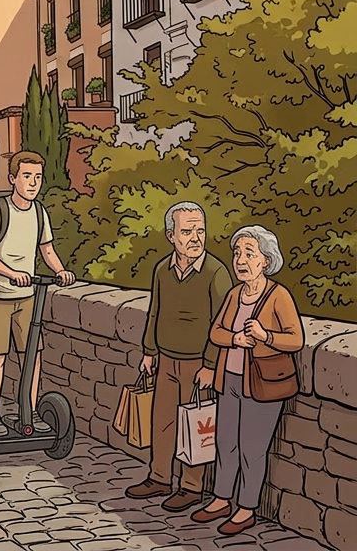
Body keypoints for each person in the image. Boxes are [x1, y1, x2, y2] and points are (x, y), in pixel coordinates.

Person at [192, 225, 302, 537]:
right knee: (225, 443)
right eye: (237, 253)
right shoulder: (234, 294)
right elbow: (216, 333)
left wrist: (265, 336)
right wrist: (237, 338)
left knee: (251, 450)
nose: (240, 259)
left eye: (249, 254)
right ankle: (221, 499)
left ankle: (246, 508)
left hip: (263, 385)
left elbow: (295, 339)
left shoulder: (278, 296)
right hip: (230, 379)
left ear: (265, 260)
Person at [127, 201, 232, 512]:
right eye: (187, 231)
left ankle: (191, 486)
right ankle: (159, 477)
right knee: (162, 421)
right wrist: (149, 351)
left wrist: (211, 366)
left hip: (198, 364)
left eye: (200, 230)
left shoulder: (215, 272)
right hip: (165, 361)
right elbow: (154, 312)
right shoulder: (162, 270)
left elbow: (222, 322)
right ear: (171, 235)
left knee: (194, 426)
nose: (196, 237)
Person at [0, 151, 76, 437]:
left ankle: (29, 411)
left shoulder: (39, 212)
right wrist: (11, 273)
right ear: (13, 179)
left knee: (32, 355)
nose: (33, 183)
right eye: (26, 176)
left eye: (37, 177)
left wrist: (60, 270)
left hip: (28, 295)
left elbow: (46, 249)